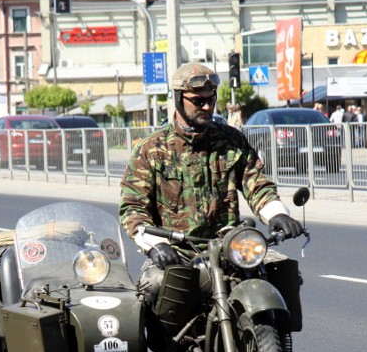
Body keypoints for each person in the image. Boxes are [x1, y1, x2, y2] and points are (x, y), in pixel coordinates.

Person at [118, 62, 303, 296]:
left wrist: (277, 213)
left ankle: (277, 332)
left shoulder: (231, 140)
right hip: (177, 252)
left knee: (282, 272)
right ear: (178, 98)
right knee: (155, 286)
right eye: (198, 101)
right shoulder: (151, 149)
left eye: (211, 100)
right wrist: (155, 245)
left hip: (230, 247)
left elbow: (256, 183)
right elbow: (132, 207)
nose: (206, 106)